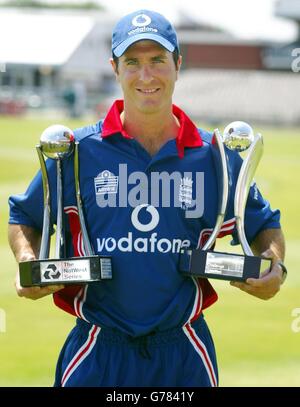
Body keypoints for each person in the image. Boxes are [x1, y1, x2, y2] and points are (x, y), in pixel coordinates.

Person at [8, 10, 286, 387]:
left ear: (178, 64)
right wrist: (29, 262)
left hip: (184, 350)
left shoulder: (214, 156)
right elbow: (23, 216)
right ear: (115, 68)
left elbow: (265, 225)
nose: (146, 75)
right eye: (132, 62)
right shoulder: (78, 151)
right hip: (96, 347)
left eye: (157, 60)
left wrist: (273, 267)